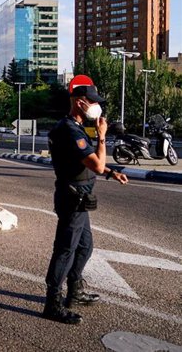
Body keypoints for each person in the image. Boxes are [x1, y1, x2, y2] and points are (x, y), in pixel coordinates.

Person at [42, 83, 128, 325]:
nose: (97, 107)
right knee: (65, 250)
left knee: (84, 247)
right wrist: (102, 136)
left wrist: (112, 173)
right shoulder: (71, 131)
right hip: (72, 198)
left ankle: (75, 291)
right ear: (80, 102)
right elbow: (97, 164)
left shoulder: (76, 128)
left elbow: (89, 164)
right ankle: (53, 303)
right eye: (93, 102)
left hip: (80, 197)